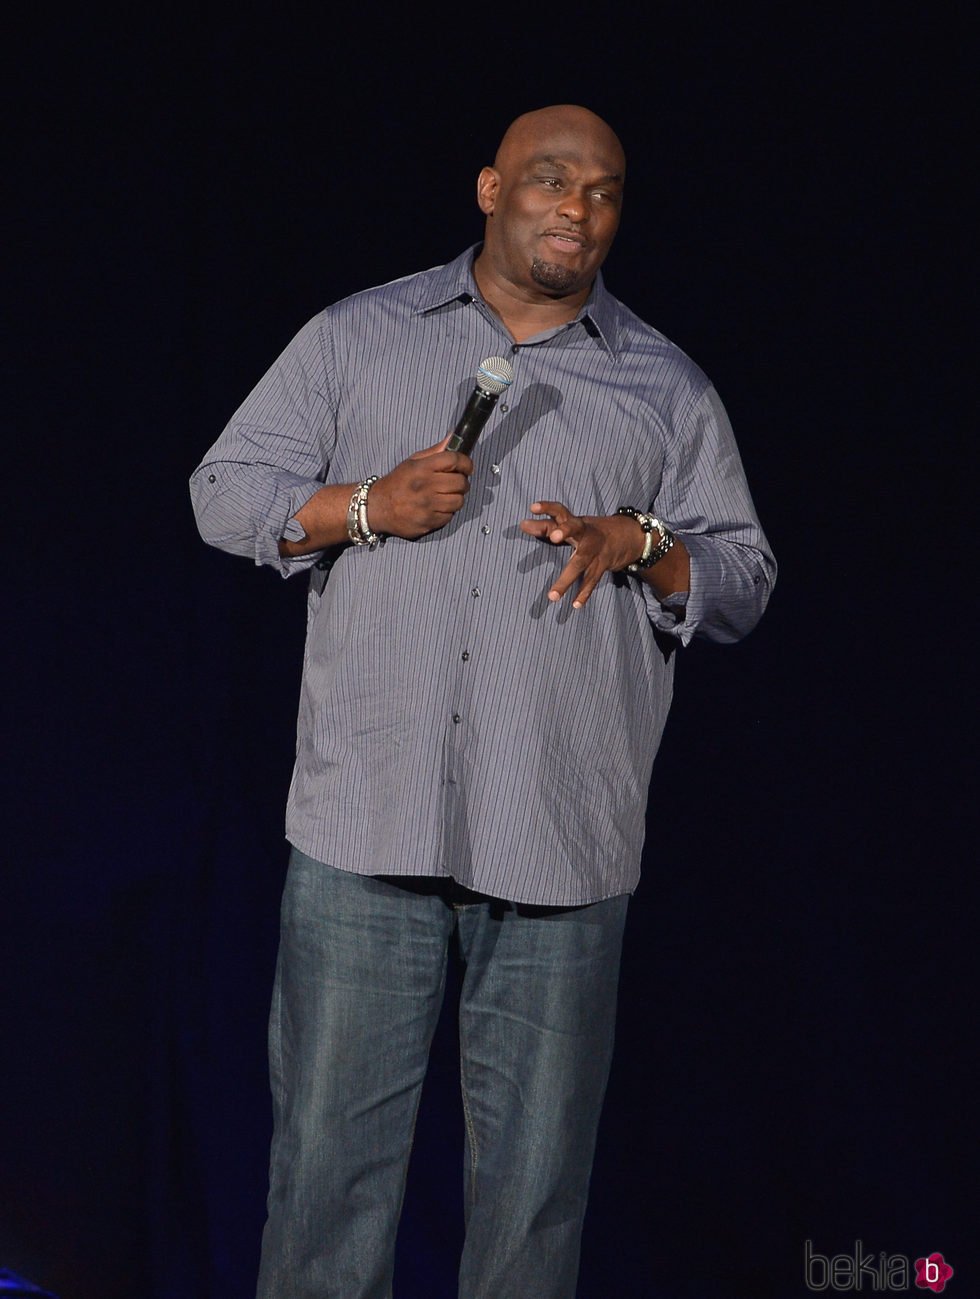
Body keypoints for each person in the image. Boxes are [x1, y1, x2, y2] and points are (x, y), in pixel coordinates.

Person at [190, 104, 775, 1299]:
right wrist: (364, 506)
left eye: (603, 191)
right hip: (367, 832)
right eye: (550, 181)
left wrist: (640, 540)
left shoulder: (661, 384)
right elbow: (223, 489)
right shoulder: (358, 337)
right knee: (326, 1186)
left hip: (559, 842)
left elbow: (741, 582)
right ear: (489, 188)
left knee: (532, 1203)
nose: (576, 208)